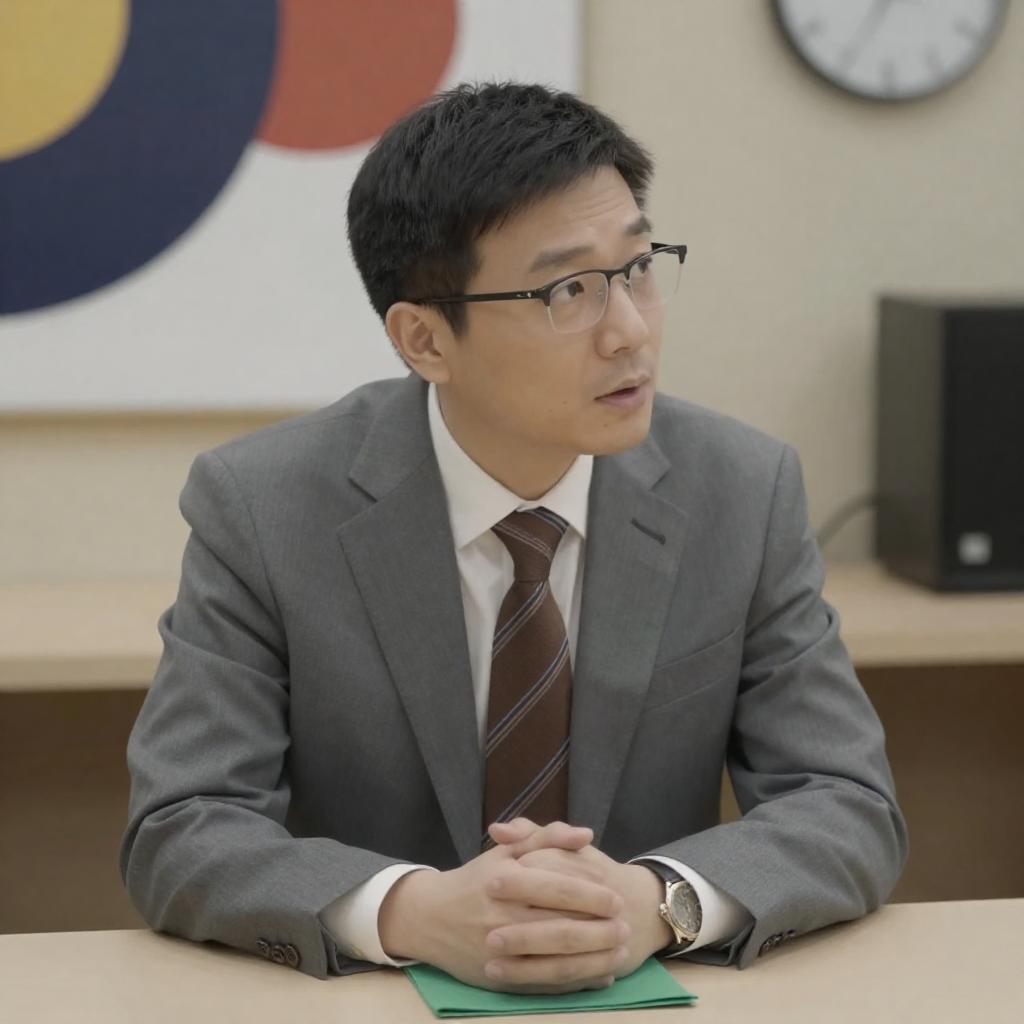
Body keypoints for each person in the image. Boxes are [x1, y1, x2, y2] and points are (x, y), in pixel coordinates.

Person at [120, 81, 908, 993]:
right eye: (568, 290)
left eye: (638, 268)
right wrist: (411, 911)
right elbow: (182, 825)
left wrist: (658, 902)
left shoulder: (741, 490)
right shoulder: (264, 509)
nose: (629, 331)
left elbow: (846, 801)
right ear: (424, 340)